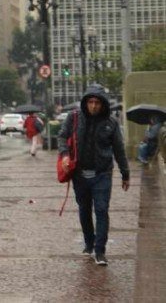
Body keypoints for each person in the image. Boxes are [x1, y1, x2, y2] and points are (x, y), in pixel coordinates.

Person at [57, 85, 130, 266]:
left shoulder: (111, 123)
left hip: (102, 174)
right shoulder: (74, 118)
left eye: (97, 102)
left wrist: (125, 173)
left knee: (102, 209)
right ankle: (89, 243)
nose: (94, 106)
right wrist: (65, 155)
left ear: (103, 104)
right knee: (84, 209)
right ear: (85, 103)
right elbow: (61, 137)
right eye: (90, 102)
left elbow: (119, 149)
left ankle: (100, 250)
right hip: (80, 174)